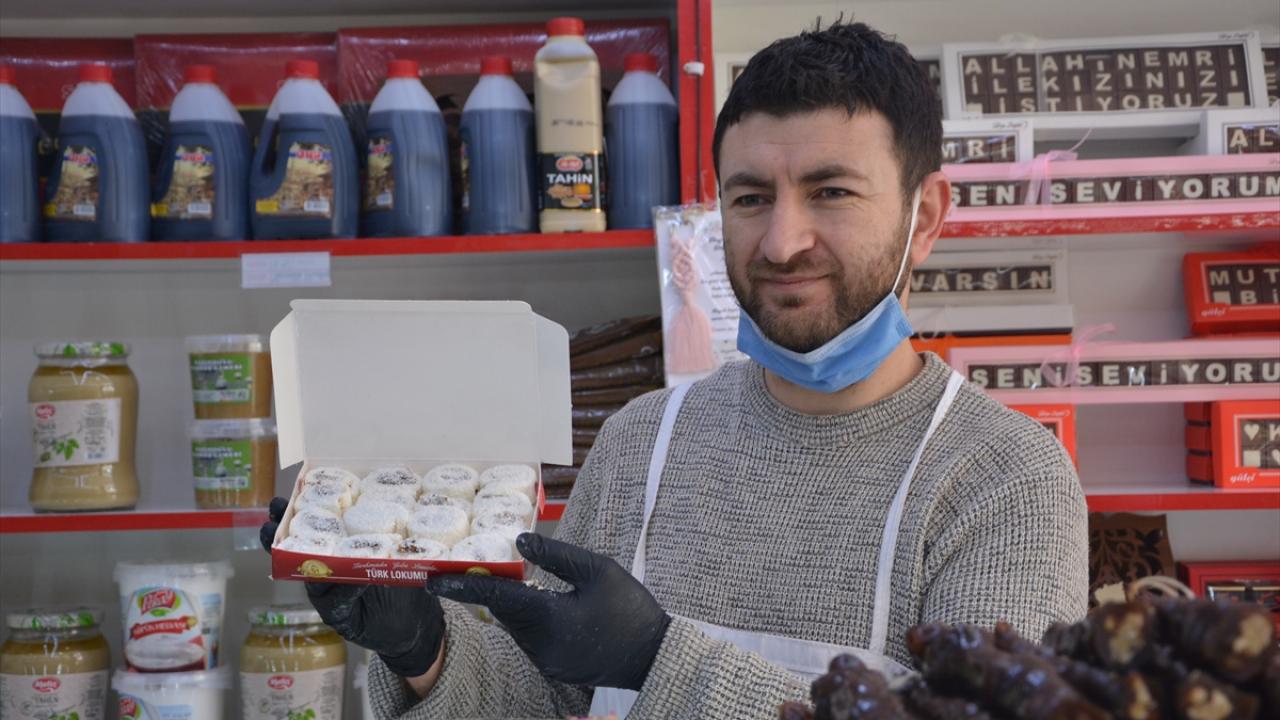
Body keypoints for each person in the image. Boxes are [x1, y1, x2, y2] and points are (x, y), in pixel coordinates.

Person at [262, 20, 1088, 719]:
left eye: (831, 191)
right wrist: (427, 651)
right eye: (751, 196)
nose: (781, 241)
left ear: (926, 216)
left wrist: (661, 659)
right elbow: (550, 699)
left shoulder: (1005, 478)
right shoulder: (643, 442)